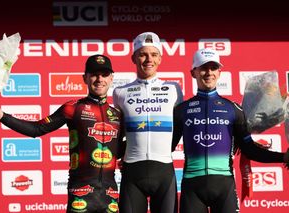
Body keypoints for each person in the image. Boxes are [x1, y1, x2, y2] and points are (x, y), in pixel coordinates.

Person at [0, 54, 124, 213]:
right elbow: (36, 129)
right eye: (94, 74)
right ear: (84, 78)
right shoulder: (72, 108)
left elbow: (123, 149)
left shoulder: (118, 114)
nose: (99, 79)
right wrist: (3, 117)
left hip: (110, 196)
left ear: (111, 78)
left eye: (104, 74)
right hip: (81, 194)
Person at [171, 48, 289, 213]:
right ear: (193, 72)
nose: (209, 72)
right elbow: (165, 149)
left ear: (220, 72)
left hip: (224, 187)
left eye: (213, 68)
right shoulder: (181, 110)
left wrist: (283, 157)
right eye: (203, 68)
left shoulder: (233, 109)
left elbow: (250, 150)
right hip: (192, 189)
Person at [112, 32, 183, 213]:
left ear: (160, 58)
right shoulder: (120, 92)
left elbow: (180, 128)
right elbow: (118, 133)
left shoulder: (174, 89)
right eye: (143, 54)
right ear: (134, 58)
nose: (148, 59)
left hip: (164, 171)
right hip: (132, 171)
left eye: (153, 54)